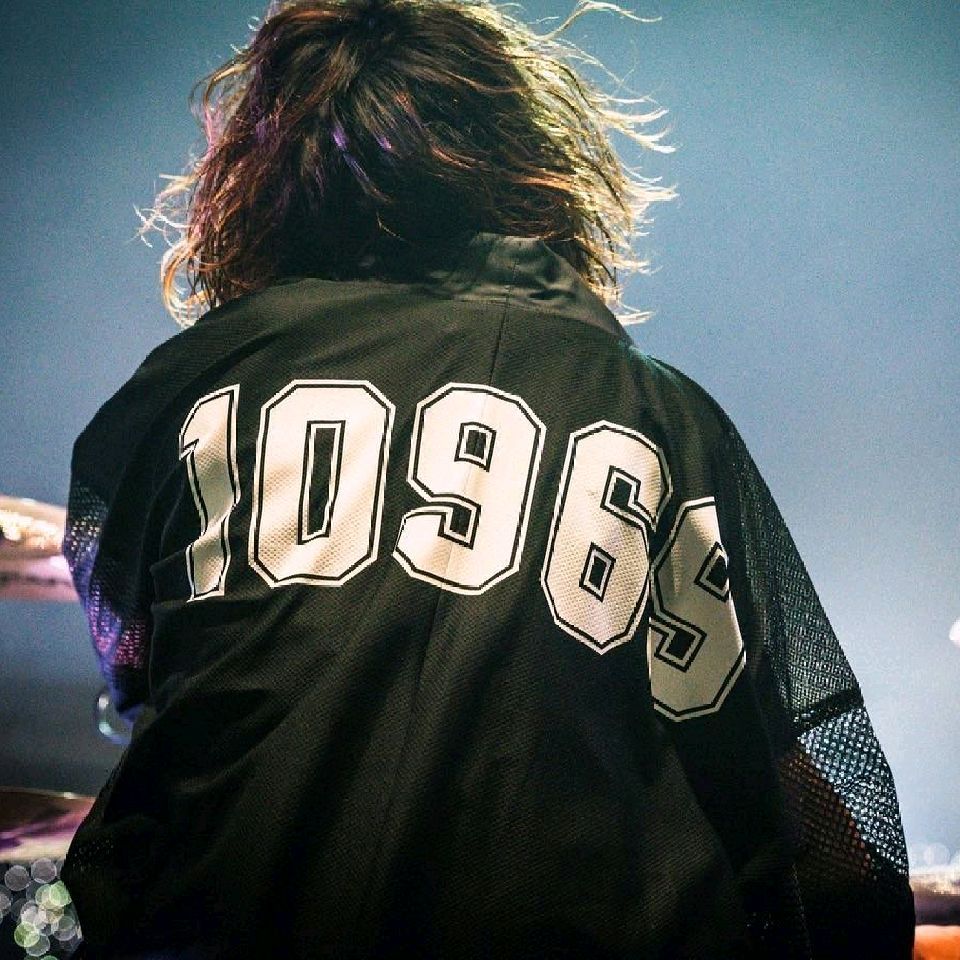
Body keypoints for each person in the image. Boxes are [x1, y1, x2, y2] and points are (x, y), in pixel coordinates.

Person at [62, 0, 915, 956]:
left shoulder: (180, 394)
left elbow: (136, 664)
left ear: (260, 182)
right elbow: (792, 777)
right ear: (528, 163)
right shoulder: (656, 414)